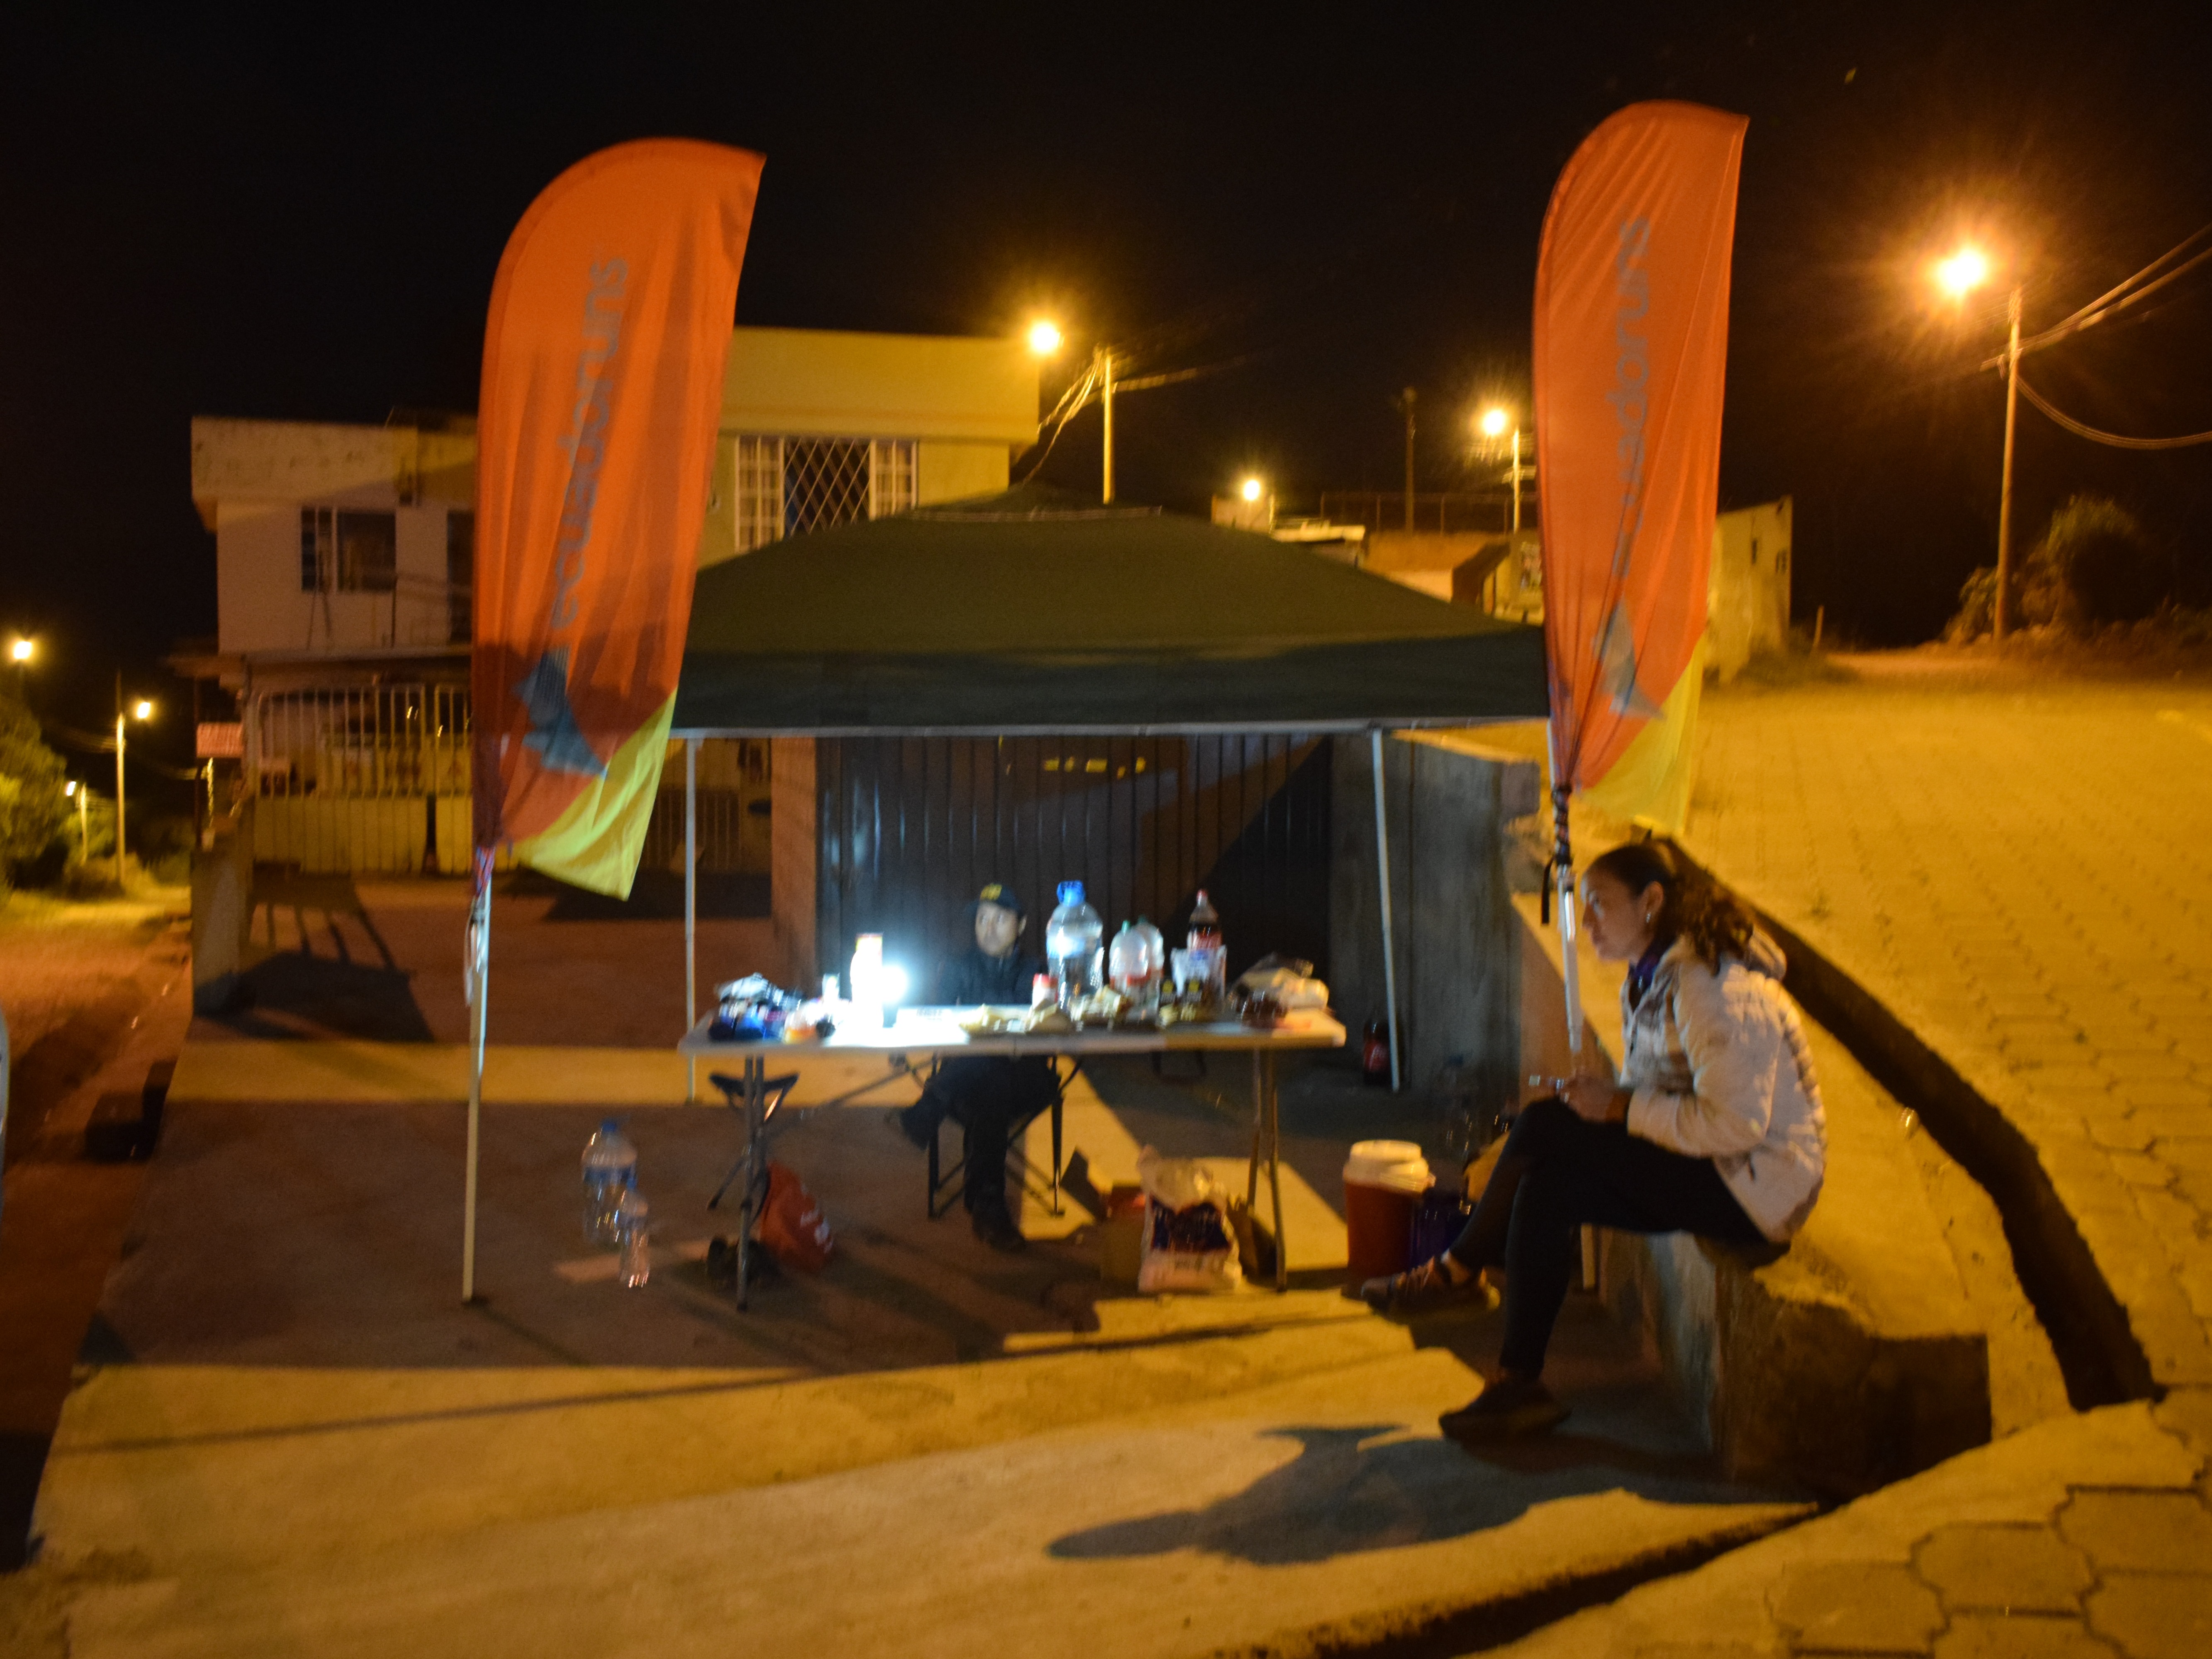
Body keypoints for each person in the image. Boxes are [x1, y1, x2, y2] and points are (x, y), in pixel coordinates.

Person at [1357, 840, 1827, 1442]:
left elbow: (1738, 1125)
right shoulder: (1654, 976)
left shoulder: (1714, 989)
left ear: (1652, 902)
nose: (1586, 921)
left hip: (1759, 1187)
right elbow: (1662, 1091)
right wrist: (1608, 1103)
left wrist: (1621, 1107)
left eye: (1600, 904)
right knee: (1549, 1184)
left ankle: (1458, 1269)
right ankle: (1517, 1384)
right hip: (1716, 1165)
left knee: (1544, 1128)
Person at [891, 882, 1056, 1253]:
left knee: (992, 1062)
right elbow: (938, 1023)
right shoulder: (956, 967)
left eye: (1000, 919)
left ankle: (929, 1107)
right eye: (982, 918)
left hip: (1025, 1079)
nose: (989, 927)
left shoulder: (1037, 971)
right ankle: (988, 1208)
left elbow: (1043, 1028)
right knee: (991, 1082)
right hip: (976, 1086)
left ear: (1022, 925)